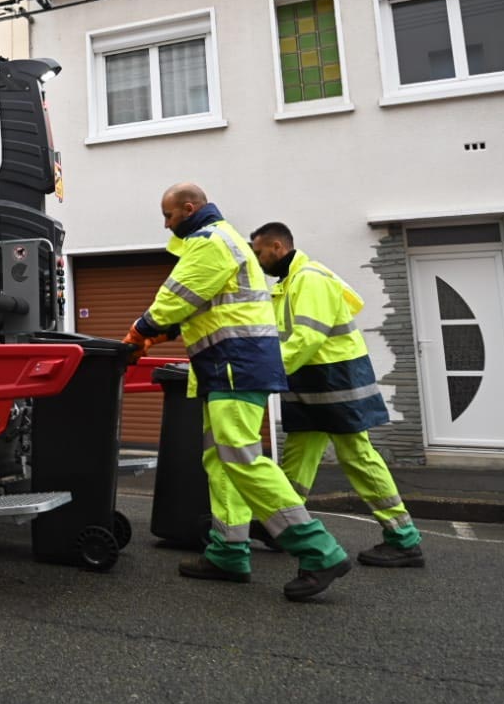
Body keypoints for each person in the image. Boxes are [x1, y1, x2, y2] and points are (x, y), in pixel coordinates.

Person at [124, 183, 351, 600]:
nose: (166, 223)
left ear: (189, 209)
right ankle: (228, 551)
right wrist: (156, 337)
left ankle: (319, 550)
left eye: (169, 216)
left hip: (235, 366)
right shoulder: (221, 241)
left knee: (242, 459)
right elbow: (199, 306)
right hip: (225, 368)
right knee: (221, 460)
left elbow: (176, 298)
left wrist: (138, 333)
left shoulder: (210, 241)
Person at [249, 222, 425, 568]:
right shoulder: (289, 284)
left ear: (277, 248)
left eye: (258, 252)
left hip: (335, 377)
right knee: (298, 456)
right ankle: (285, 525)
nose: (257, 260)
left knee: (357, 455)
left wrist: (263, 372)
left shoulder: (310, 279)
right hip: (310, 378)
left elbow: (308, 337)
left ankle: (404, 539)